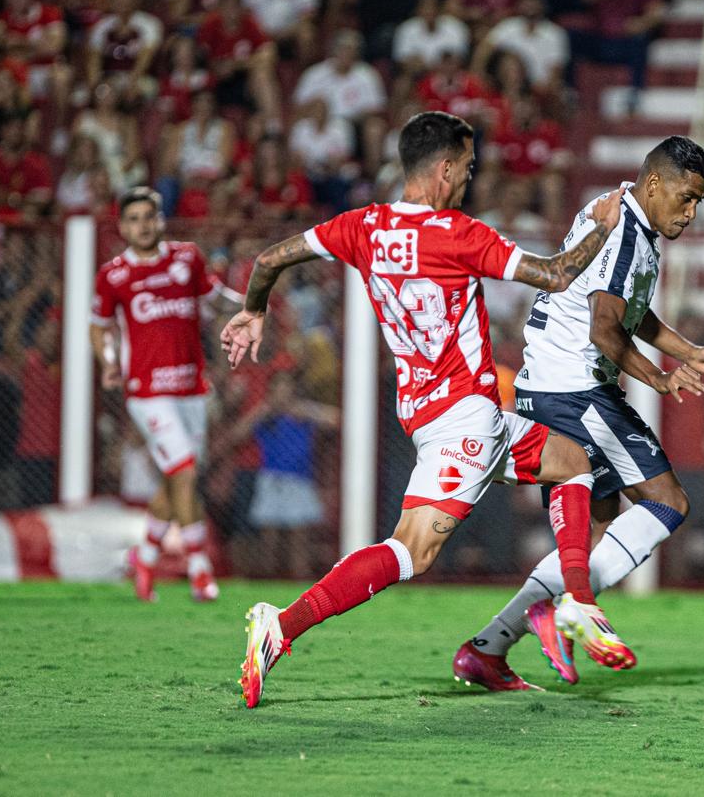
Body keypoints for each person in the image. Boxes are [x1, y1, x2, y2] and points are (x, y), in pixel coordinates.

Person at [222, 111, 633, 708]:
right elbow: (557, 274)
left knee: (573, 461)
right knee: (410, 552)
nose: (469, 180)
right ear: (443, 169)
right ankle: (280, 627)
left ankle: (577, 603)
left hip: (433, 411)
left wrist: (254, 311)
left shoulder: (362, 226)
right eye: (466, 169)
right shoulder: (459, 234)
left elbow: (269, 260)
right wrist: (601, 225)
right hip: (463, 420)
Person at [455, 136, 704, 690]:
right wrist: (661, 378)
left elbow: (625, 308)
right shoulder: (625, 233)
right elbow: (604, 327)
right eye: (686, 198)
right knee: (667, 502)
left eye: (700, 204)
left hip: (552, 386)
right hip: (575, 393)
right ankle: (573, 607)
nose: (691, 213)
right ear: (656, 182)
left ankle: (488, 648)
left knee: (595, 532)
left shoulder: (619, 211)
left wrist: (688, 351)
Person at [90, 186, 241, 603]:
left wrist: (250, 304)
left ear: (160, 221)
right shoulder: (114, 275)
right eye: (133, 218)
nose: (142, 225)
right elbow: (99, 325)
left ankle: (144, 558)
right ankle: (199, 571)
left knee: (179, 481)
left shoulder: (186, 258)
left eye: (149, 217)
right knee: (186, 472)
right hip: (147, 390)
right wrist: (106, 361)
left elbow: (212, 297)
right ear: (122, 227)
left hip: (192, 388)